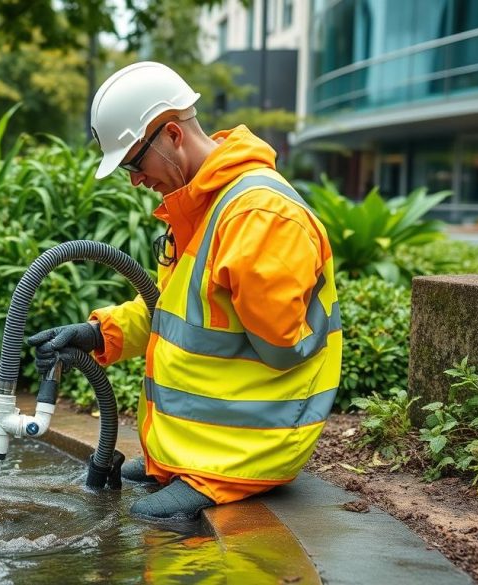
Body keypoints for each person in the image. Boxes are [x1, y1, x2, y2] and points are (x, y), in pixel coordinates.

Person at [28, 61, 341, 525]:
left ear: (172, 134)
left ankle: (212, 478)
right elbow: (176, 313)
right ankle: (175, 463)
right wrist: (98, 334)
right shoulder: (204, 205)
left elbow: (282, 347)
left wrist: (252, 266)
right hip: (211, 446)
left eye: (135, 162)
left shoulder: (258, 216)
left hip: (250, 449)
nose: (135, 179)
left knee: (153, 523)